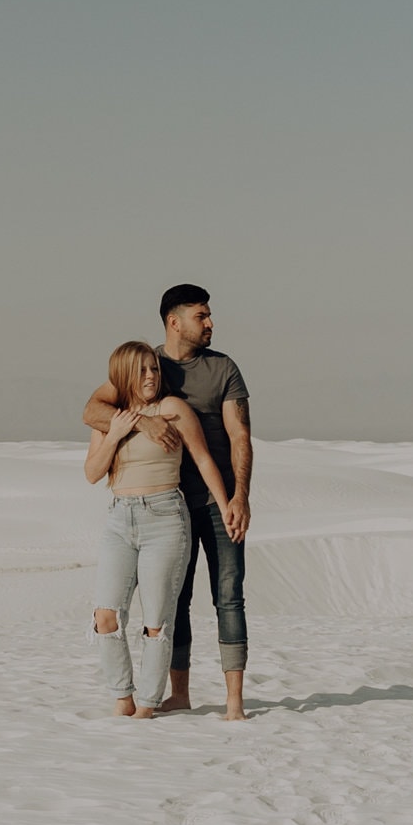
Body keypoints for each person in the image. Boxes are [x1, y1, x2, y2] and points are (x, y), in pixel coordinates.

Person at [81, 284, 253, 721]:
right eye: (202, 315)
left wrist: (238, 499)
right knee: (149, 608)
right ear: (174, 321)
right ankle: (162, 695)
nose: (210, 323)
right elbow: (92, 410)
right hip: (141, 507)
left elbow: (238, 437)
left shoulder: (220, 370)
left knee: (225, 597)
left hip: (195, 505)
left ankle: (228, 702)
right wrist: (140, 424)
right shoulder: (148, 362)